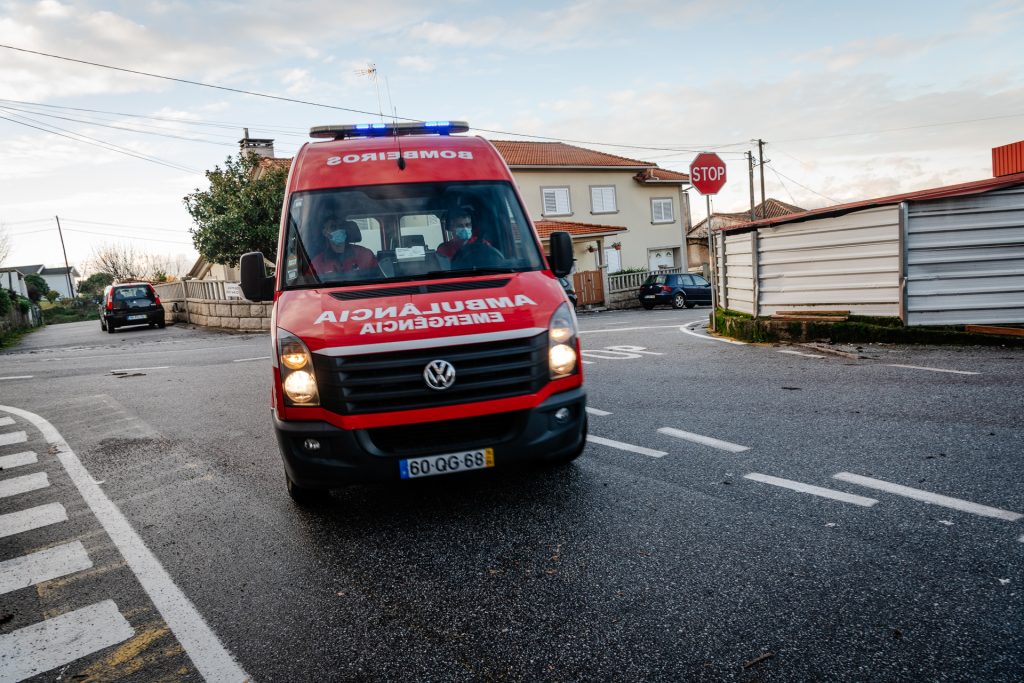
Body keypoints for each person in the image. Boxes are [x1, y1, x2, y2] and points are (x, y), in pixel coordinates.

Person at [310, 218, 378, 277]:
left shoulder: (365, 255)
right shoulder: (317, 263)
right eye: (333, 227)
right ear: (325, 233)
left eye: (341, 226)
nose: (339, 229)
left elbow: (378, 279)